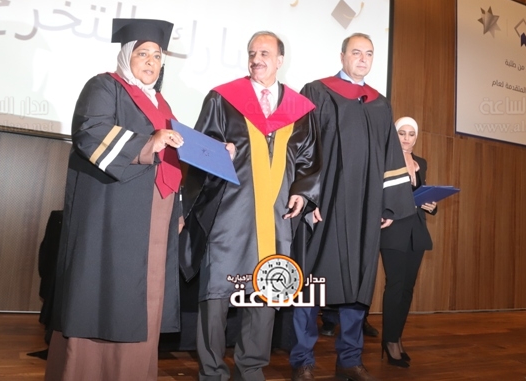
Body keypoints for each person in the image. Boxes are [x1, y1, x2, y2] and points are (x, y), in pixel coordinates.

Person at [45, 18, 185, 381]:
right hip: (112, 213)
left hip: (154, 211)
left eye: (157, 56)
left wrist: (180, 206)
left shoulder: (161, 102)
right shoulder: (105, 86)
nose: (151, 61)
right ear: (126, 56)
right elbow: (89, 132)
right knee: (106, 291)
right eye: (143, 53)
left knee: (145, 293)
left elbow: (171, 155)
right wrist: (147, 143)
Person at [180, 31, 321, 381]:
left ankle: (251, 367)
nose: (257, 59)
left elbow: (309, 160)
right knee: (216, 292)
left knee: (267, 289)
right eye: (252, 53)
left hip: (276, 216)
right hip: (230, 211)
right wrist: (218, 151)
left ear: (280, 60)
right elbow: (201, 146)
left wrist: (303, 192)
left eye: (264, 53)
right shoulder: (223, 98)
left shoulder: (299, 109)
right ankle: (212, 371)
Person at [290, 33, 416, 381]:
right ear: (342, 56)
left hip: (365, 208)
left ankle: (349, 359)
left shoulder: (380, 105)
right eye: (356, 52)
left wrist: (388, 207)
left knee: (359, 284)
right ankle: (302, 360)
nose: (363, 59)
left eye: (369, 54)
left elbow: (391, 157)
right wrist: (309, 197)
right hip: (325, 206)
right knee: (312, 283)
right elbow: (302, 146)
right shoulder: (317, 91)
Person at [380, 116, 438, 368]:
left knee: (407, 289)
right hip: (393, 230)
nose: (406, 138)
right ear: (395, 135)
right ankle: (390, 341)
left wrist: (431, 205)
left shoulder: (421, 163)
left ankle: (396, 337)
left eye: (411, 134)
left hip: (417, 231)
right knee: (395, 286)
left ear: (416, 137)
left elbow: (419, 194)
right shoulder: (386, 159)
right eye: (401, 133)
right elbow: (379, 193)